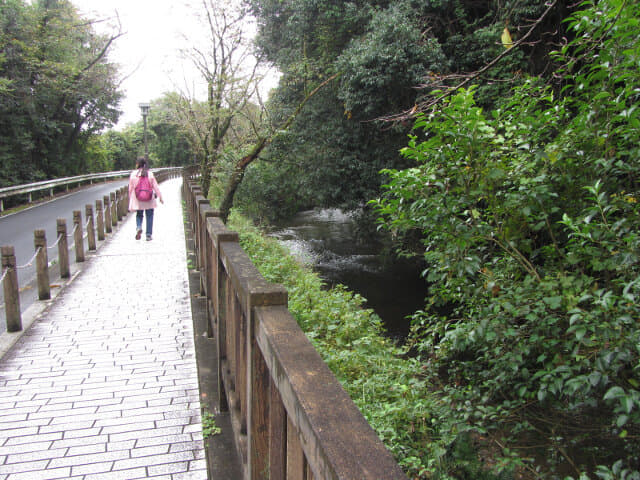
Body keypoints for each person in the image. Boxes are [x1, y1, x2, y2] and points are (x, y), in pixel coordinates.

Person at [128, 157, 164, 241]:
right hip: (149, 199)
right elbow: (155, 187)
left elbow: (130, 188)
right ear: (145, 164)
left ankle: (139, 227)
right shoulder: (150, 174)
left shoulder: (133, 174)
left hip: (138, 199)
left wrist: (130, 198)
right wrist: (160, 197)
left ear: (137, 164)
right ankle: (148, 235)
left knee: (139, 215)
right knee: (150, 215)